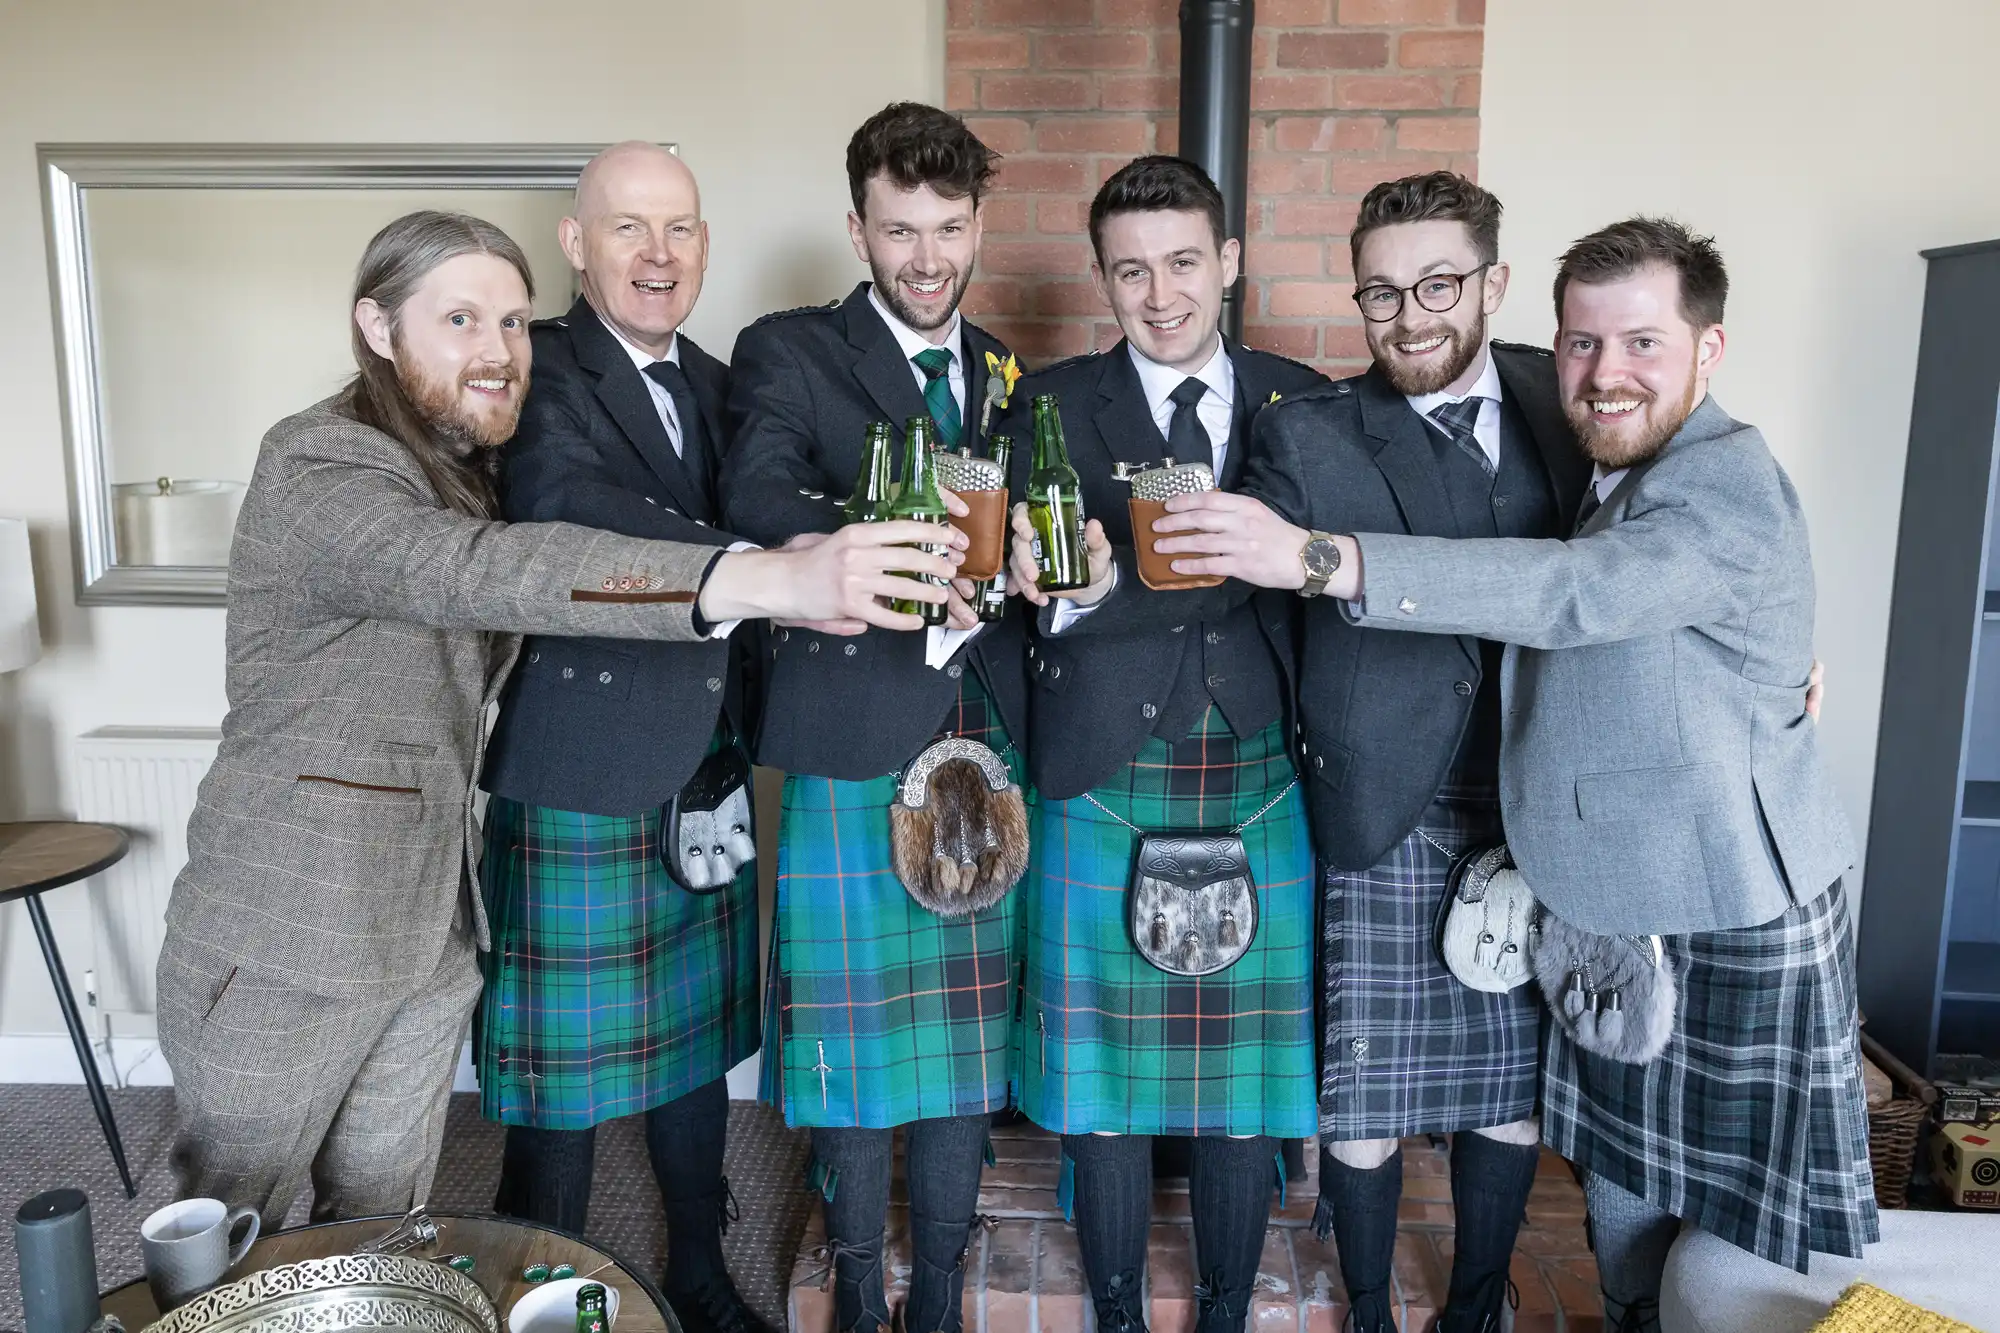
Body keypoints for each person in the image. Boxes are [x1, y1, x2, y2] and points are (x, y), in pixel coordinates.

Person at [155, 208, 966, 1232]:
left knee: (375, 1225)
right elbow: (492, 572)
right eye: (459, 319)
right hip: (293, 934)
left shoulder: (469, 465)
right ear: (375, 325)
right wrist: (763, 576)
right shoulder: (321, 461)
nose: (497, 352)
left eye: (510, 322)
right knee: (229, 1238)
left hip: (433, 924)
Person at [1156, 217, 1876, 1331]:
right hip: (1620, 875)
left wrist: (1317, 554)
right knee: (1623, 1200)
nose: (1604, 372)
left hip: (1732, 892)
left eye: (1641, 342)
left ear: (1708, 348)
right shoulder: (1579, 424)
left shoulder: (1719, 478)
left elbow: (1574, 593)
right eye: (1583, 344)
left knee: (1751, 1220)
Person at [1142, 171, 1590, 1333]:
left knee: (1509, 1095)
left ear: (1493, 282)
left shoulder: (1567, 397)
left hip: (1541, 792)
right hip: (1380, 791)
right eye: (1380, 293)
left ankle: (1475, 1307)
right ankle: (1370, 1314)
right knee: (1367, 1092)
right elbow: (1235, 586)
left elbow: (1651, 541)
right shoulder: (1307, 432)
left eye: (1438, 284)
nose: (1409, 316)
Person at [716, 103, 1027, 1333]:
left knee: (960, 1042)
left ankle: (937, 1288)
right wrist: (900, 541)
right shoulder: (789, 349)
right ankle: (856, 1279)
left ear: (976, 225)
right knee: (848, 1047)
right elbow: (752, 485)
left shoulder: (1007, 370)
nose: (926, 256)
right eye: (899, 230)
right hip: (850, 738)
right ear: (857, 227)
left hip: (984, 737)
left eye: (948, 228)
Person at [1002, 155, 1325, 1333]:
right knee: (1104, 1088)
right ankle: (1118, 1311)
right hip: (1099, 762)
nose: (1159, 293)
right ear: (1102, 276)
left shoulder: (1306, 395)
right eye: (1129, 269)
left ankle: (1229, 1312)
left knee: (1245, 1092)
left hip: (1263, 766)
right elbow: (1015, 572)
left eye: (1182, 262)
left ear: (1227, 261)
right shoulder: (1043, 401)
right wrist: (1057, 590)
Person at [471, 145, 770, 1333]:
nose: (658, 254)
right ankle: (547, 1297)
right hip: (579, 769)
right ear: (575, 241)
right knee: (561, 1082)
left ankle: (696, 1271)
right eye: (630, 228)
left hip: (705, 762)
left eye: (681, 229)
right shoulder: (532, 367)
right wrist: (747, 567)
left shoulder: (714, 376)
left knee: (692, 1053)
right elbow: (559, 500)